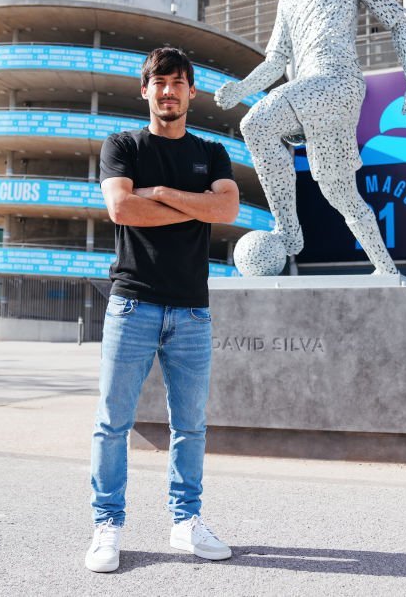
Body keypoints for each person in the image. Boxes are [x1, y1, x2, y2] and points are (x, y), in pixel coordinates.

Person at [215, 0, 406, 275]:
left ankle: (288, 231)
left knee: (257, 123)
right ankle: (386, 269)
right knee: (339, 192)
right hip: (308, 90)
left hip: (338, 82)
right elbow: (275, 61)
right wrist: (241, 89)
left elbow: (396, 21)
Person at [86, 47, 239, 573]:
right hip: (132, 303)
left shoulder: (211, 153)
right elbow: (121, 208)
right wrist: (190, 204)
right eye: (160, 82)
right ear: (145, 90)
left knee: (190, 426)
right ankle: (107, 525)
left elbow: (226, 209)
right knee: (112, 423)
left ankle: (185, 522)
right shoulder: (122, 145)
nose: (169, 91)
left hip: (193, 311)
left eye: (178, 82)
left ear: (191, 92)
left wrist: (165, 193)